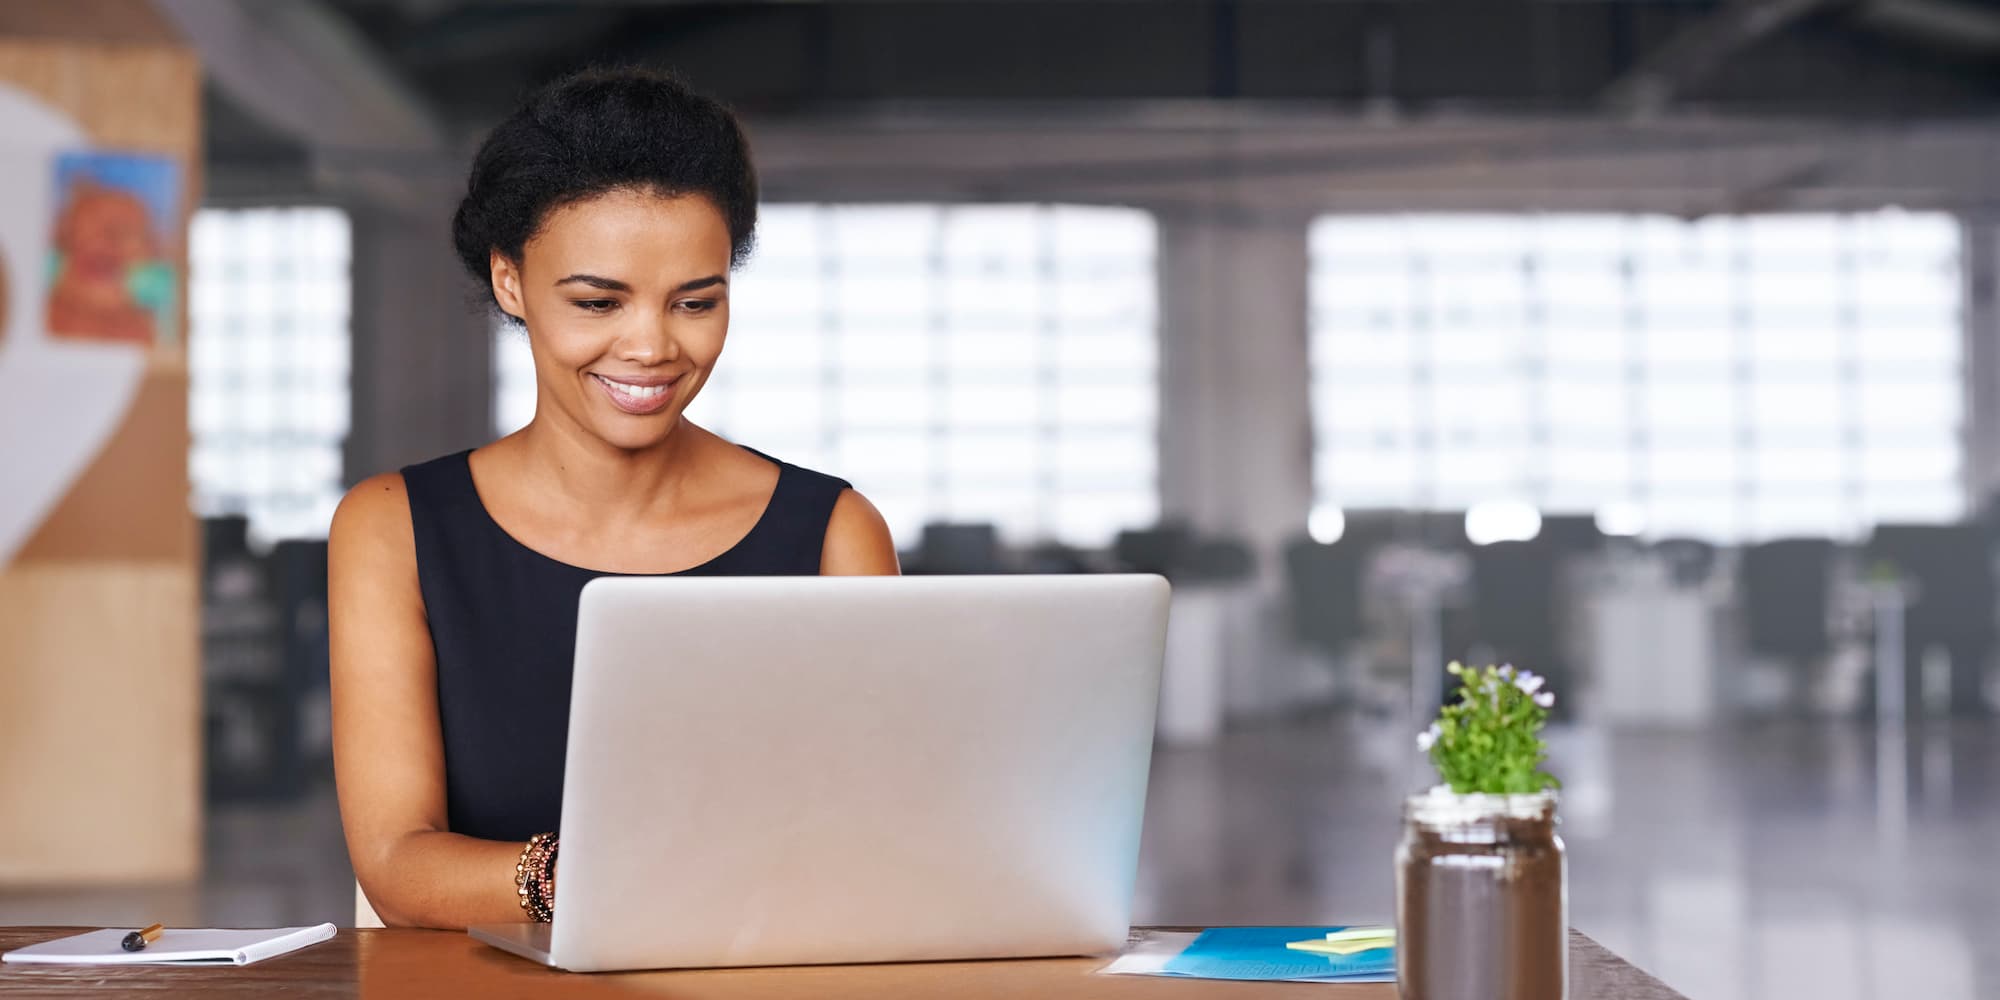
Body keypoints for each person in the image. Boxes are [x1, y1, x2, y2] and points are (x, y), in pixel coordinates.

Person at [329, 68, 900, 930]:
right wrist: (603, 875)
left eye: (695, 302)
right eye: (599, 301)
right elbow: (398, 865)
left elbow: (887, 832)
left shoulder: (833, 533)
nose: (651, 347)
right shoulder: (395, 528)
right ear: (511, 283)